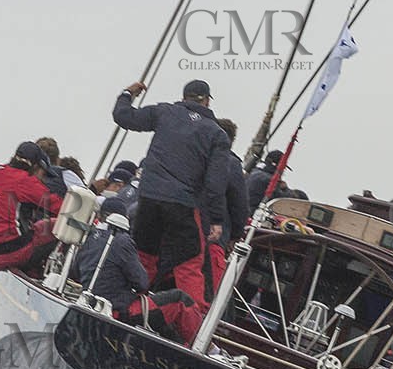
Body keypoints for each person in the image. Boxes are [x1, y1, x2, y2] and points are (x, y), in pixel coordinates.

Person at [110, 78, 229, 311]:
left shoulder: (164, 113)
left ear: (184, 97)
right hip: (183, 204)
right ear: (207, 101)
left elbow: (123, 117)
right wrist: (216, 219)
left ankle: (124, 310)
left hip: (149, 199)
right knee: (189, 264)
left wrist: (126, 93)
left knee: (144, 256)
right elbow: (216, 183)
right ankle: (192, 328)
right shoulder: (217, 135)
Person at [71, 202, 202, 344]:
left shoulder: (89, 238)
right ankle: (201, 347)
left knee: (161, 315)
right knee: (180, 299)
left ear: (100, 216)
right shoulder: (122, 241)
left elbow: (75, 272)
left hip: (90, 303)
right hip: (119, 310)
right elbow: (142, 283)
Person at [0, 141, 64, 276]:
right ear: (36, 166)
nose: (43, 180)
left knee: (33, 227)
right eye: (43, 174)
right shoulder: (23, 180)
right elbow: (61, 208)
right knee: (59, 226)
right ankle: (45, 275)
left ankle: (31, 272)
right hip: (11, 252)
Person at [210, 119, 250, 248]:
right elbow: (239, 204)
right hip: (213, 234)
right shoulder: (231, 164)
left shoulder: (195, 153)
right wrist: (235, 235)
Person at [246, 149, 285, 214]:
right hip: (250, 215)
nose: (283, 171)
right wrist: (285, 189)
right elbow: (280, 201)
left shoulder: (253, 171)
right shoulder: (270, 180)